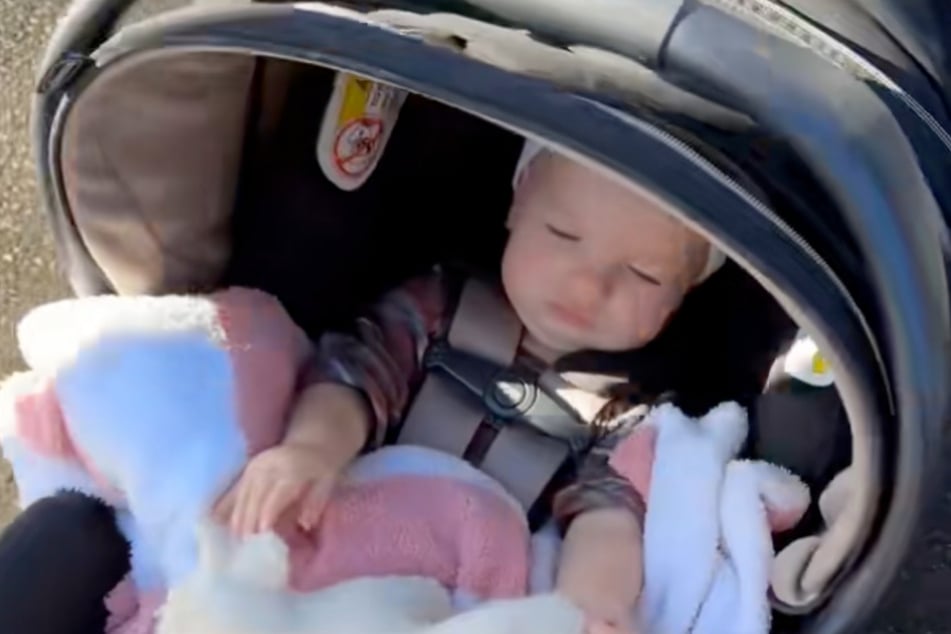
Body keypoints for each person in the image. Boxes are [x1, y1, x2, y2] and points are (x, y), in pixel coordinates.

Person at [214, 139, 727, 633]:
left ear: (681, 298)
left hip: (477, 589)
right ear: (517, 205)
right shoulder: (437, 310)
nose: (590, 286)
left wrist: (592, 609)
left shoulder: (630, 412)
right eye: (562, 234)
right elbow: (353, 377)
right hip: (342, 547)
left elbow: (609, 516)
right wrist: (309, 449)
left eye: (644, 275)